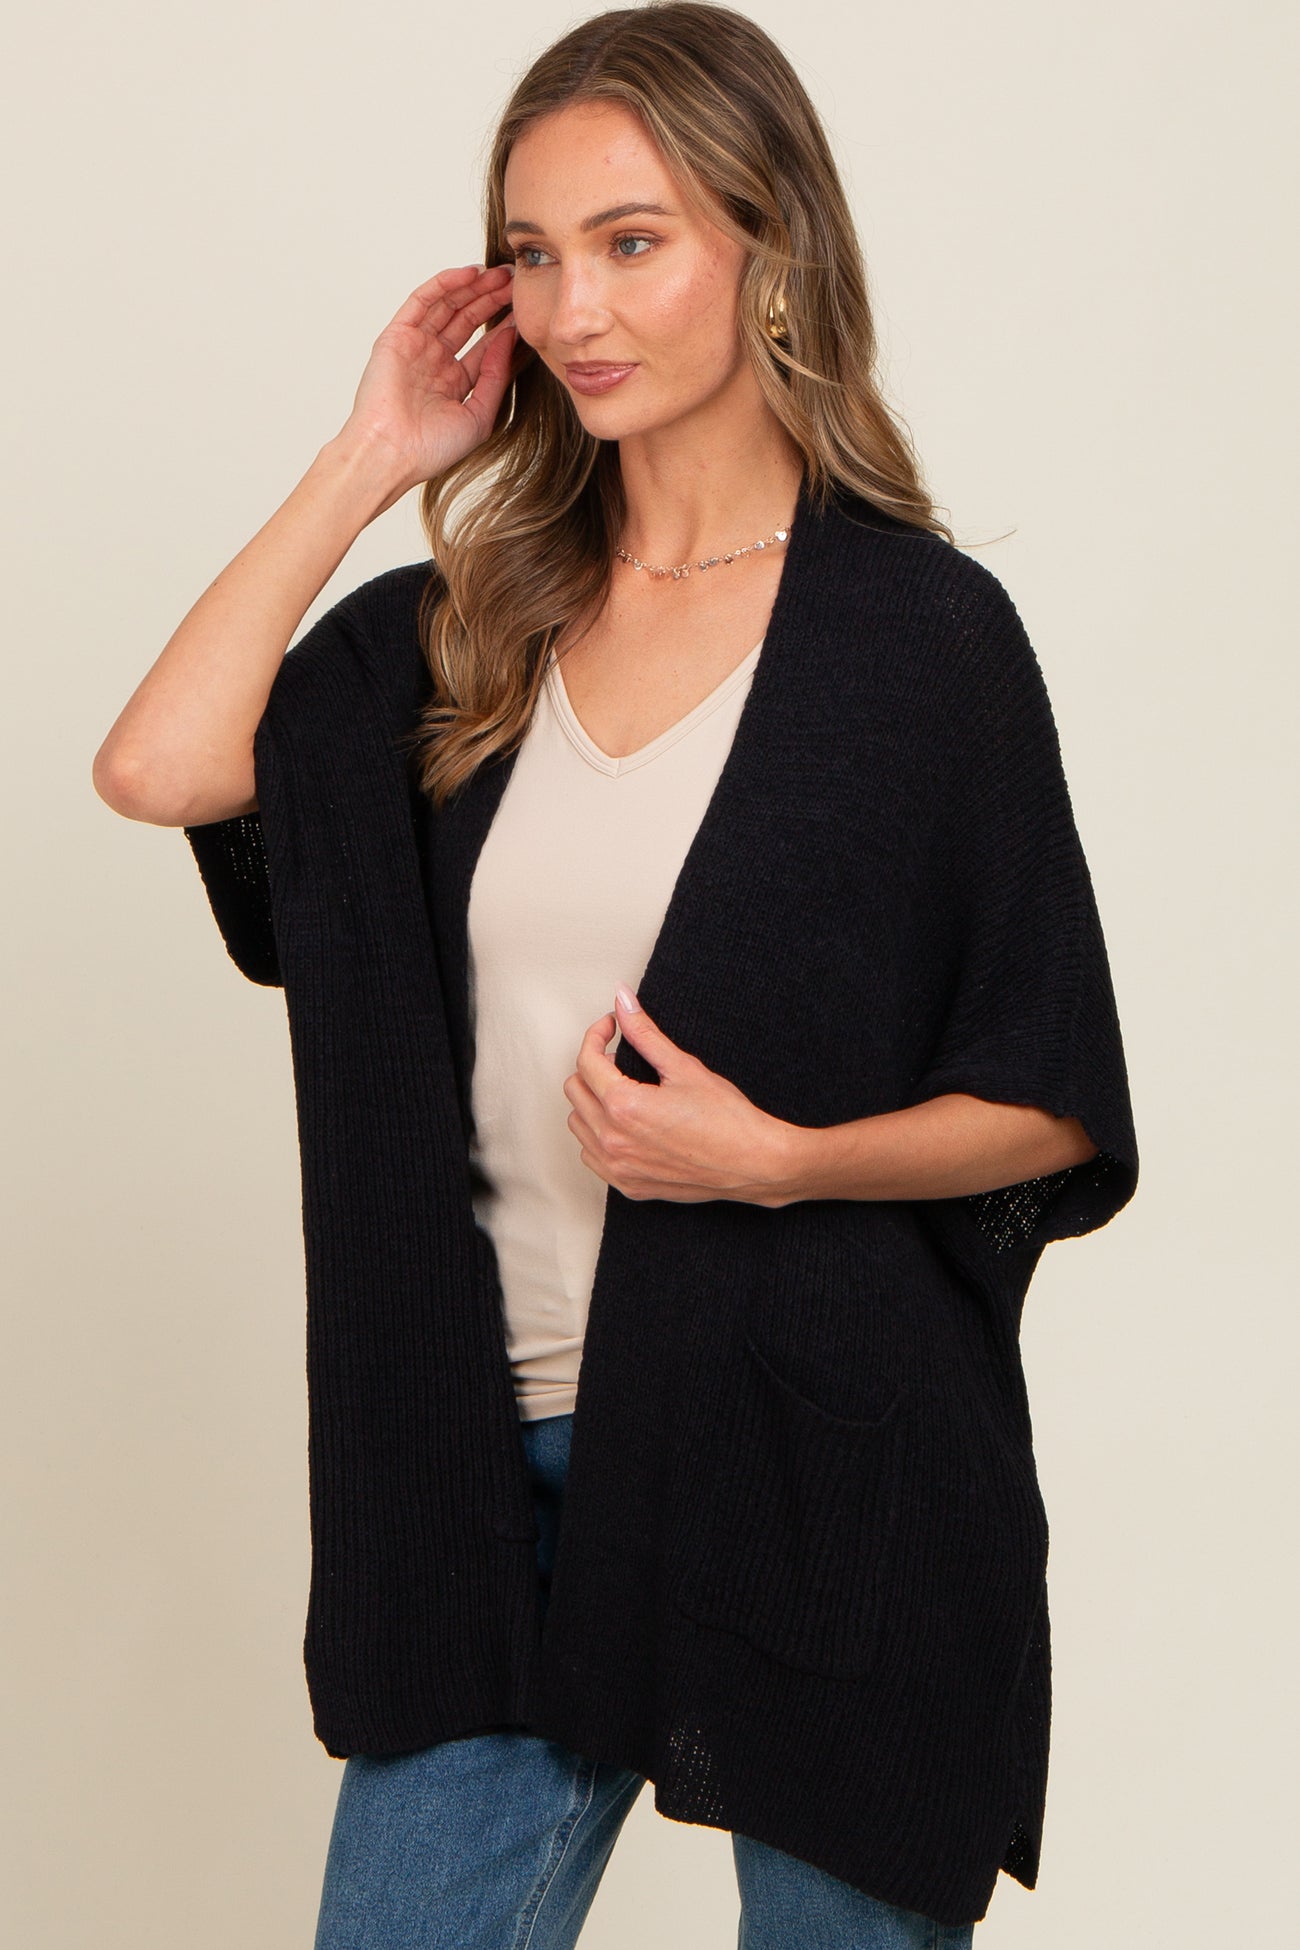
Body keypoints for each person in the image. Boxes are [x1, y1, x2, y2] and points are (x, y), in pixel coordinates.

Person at [93, 4, 1139, 1945]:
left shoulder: (919, 643)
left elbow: (1051, 1098)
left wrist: (780, 1161)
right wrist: (371, 454)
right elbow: (159, 767)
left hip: (821, 1469)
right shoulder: (466, 633)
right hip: (487, 1486)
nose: (573, 306)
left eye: (631, 240)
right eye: (531, 251)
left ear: (769, 244)